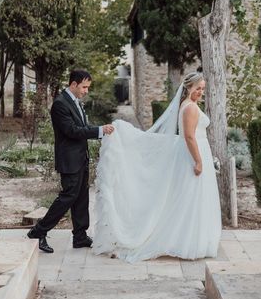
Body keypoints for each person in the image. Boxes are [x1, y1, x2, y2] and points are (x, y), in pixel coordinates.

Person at [93, 71, 221, 263]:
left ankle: (189, 239)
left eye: (203, 89)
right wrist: (199, 161)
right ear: (188, 88)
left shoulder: (188, 105)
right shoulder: (190, 108)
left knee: (189, 199)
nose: (200, 92)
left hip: (192, 153)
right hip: (193, 155)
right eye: (197, 88)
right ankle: (188, 242)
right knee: (191, 198)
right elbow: (189, 136)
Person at [27, 69, 114, 253]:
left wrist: (102, 132)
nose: (86, 91)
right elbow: (72, 131)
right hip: (69, 160)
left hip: (81, 158)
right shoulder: (60, 104)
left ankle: (80, 236)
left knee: (82, 197)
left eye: (88, 87)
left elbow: (82, 127)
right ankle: (38, 231)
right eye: (84, 87)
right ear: (73, 84)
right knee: (68, 197)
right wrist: (99, 130)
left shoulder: (75, 102)